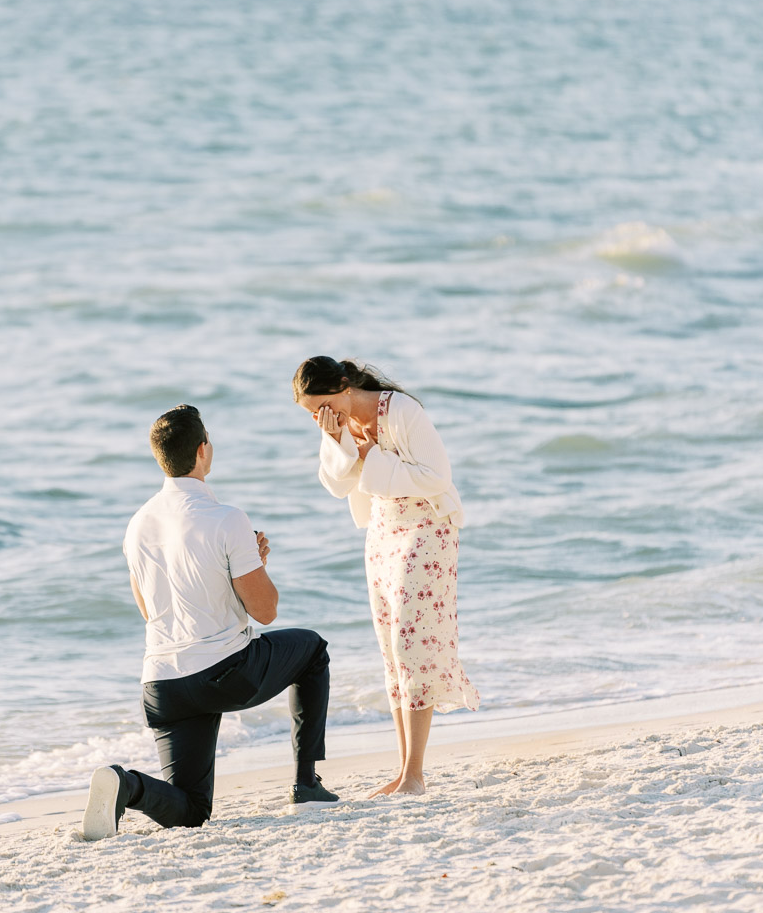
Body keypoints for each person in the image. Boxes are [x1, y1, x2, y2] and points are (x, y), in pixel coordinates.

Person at [82, 404, 338, 841]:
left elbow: (149, 609)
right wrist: (255, 565)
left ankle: (128, 785)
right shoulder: (227, 518)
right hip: (225, 674)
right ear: (204, 451)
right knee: (312, 650)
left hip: (162, 686)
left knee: (193, 812)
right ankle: (306, 782)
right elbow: (266, 611)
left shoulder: (137, 524)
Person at [292, 357, 479, 797]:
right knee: (391, 645)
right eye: (312, 413)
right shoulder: (335, 424)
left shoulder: (402, 412)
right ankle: (404, 771)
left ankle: (415, 775)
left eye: (325, 406)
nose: (322, 417)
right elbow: (337, 484)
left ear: (344, 384)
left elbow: (437, 478)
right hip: (382, 528)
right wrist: (337, 439)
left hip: (428, 525)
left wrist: (368, 455)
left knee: (412, 642)